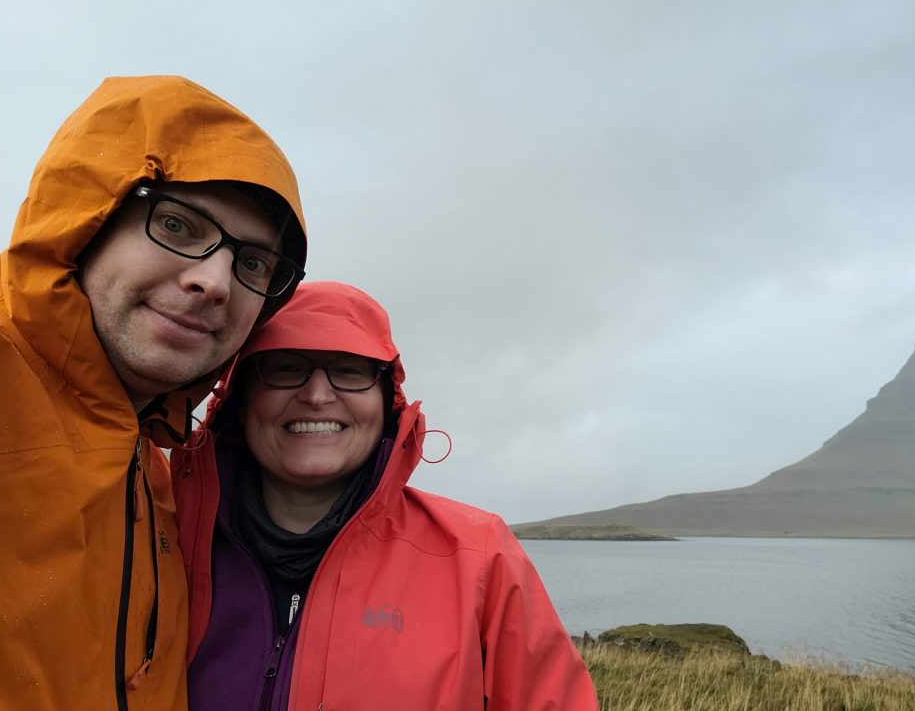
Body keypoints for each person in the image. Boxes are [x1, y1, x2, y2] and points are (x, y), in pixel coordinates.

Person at [0, 76, 308, 711]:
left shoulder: (157, 472)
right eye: (177, 224)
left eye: (252, 265)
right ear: (86, 221)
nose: (215, 282)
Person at [172, 281, 599, 710]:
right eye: (284, 367)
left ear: (387, 402)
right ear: (242, 400)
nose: (317, 396)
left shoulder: (479, 558)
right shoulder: (161, 533)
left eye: (350, 370)